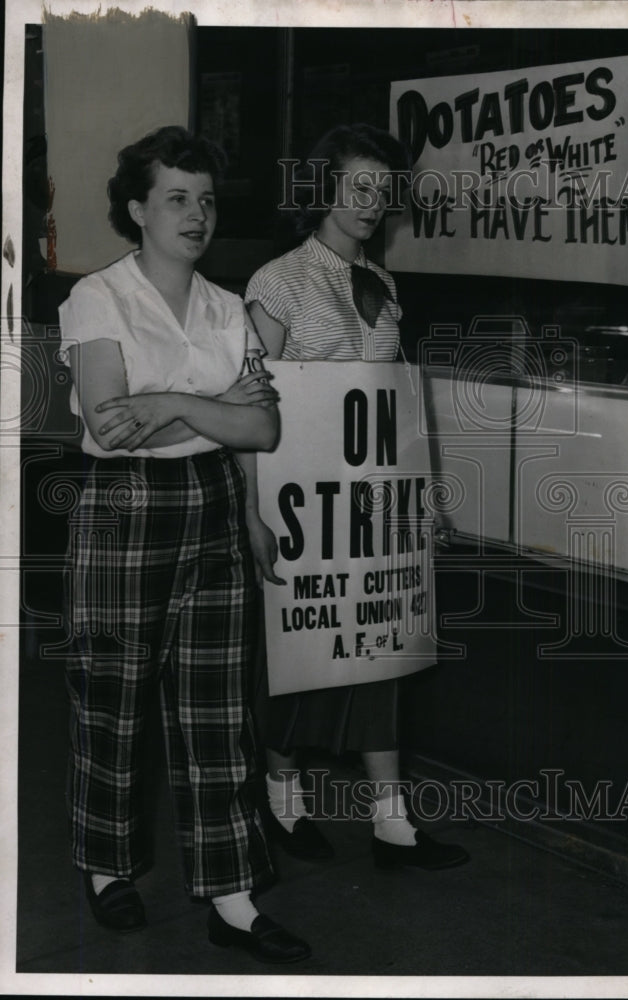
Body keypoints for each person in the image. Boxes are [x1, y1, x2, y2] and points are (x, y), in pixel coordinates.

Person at [59, 125, 310, 964]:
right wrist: (205, 402)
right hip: (126, 508)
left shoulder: (228, 305)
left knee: (216, 709)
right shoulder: (99, 297)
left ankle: (233, 896)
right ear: (137, 209)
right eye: (176, 198)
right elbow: (109, 422)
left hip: (214, 500)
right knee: (115, 696)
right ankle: (108, 868)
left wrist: (167, 401)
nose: (196, 214)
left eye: (205, 200)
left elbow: (263, 425)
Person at [244, 123, 469, 871]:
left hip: (373, 508)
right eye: (358, 186)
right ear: (323, 189)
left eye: (384, 188)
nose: (373, 202)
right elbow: (250, 401)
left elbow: (393, 402)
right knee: (295, 658)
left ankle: (391, 821)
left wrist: (424, 496)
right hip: (300, 503)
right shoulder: (278, 281)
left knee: (382, 649)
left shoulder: (387, 282)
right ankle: (282, 801)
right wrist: (254, 509)